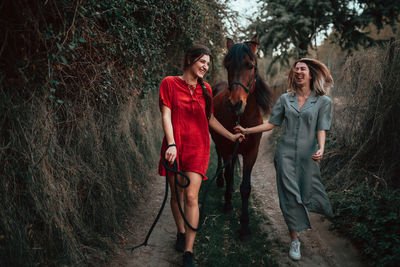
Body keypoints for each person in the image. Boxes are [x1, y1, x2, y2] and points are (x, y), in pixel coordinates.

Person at [234, 58, 334, 261]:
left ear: (311, 74)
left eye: (302, 69)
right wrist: (247, 129)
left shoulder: (323, 102)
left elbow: (321, 128)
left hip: (309, 157)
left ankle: (306, 217)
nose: (298, 71)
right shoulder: (285, 99)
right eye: (295, 68)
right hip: (285, 155)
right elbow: (271, 124)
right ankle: (295, 239)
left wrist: (322, 148)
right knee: (289, 196)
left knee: (305, 193)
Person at [158, 44, 244, 267]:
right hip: (174, 146)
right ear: (190, 60)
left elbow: (210, 119)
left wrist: (230, 136)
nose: (206, 66)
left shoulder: (205, 89)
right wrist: (172, 143)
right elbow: (166, 116)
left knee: (191, 197)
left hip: (198, 147)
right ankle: (180, 231)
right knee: (176, 194)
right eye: (202, 61)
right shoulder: (169, 83)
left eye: (208, 63)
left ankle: (188, 251)